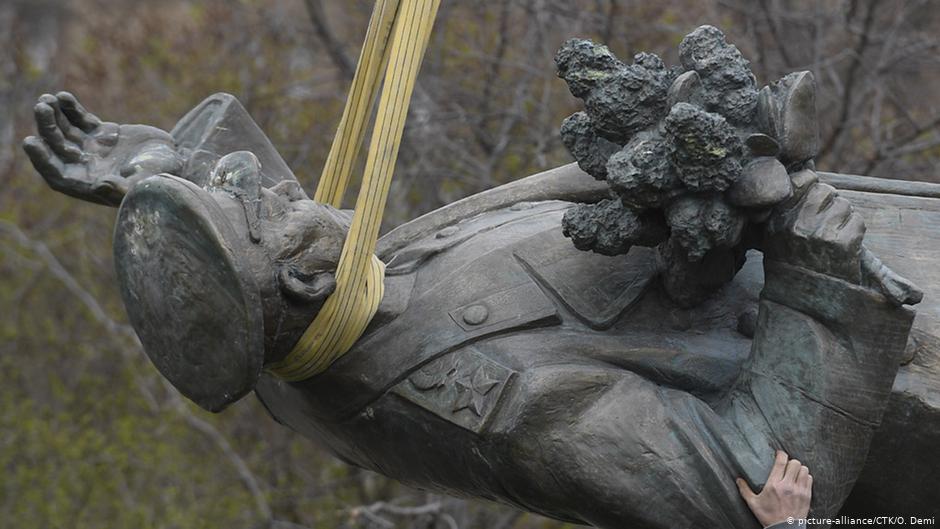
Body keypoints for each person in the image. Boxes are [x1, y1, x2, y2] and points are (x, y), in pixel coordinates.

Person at [23, 91, 911, 529]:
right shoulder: (508, 410)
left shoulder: (313, 333)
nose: (277, 184)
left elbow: (256, 285)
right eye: (260, 204)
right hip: (903, 335)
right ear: (296, 281)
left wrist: (167, 177)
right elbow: (755, 483)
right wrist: (821, 282)